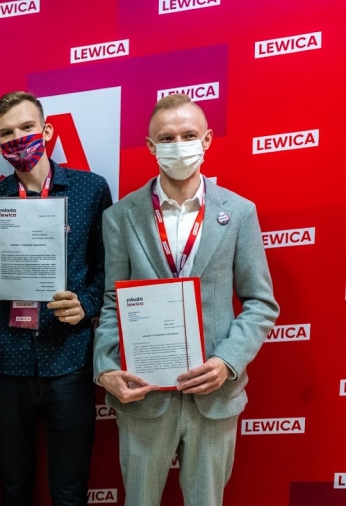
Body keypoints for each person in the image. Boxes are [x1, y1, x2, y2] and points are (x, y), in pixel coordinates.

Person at [92, 93, 279, 505]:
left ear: (207, 140)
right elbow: (111, 301)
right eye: (167, 138)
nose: (179, 145)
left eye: (188, 135)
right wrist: (105, 366)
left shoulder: (239, 212)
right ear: (150, 146)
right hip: (144, 395)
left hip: (213, 396)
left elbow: (260, 302)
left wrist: (227, 361)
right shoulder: (120, 216)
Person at [0, 91, 112, 505]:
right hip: (6, 362)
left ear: (47, 131)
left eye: (27, 127)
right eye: (7, 133)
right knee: (14, 489)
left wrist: (85, 305)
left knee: (69, 492)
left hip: (68, 360)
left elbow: (106, 270)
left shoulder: (89, 189)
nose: (18, 138)